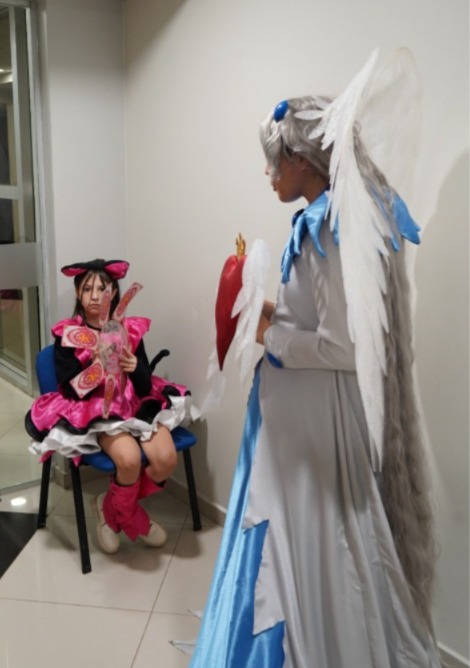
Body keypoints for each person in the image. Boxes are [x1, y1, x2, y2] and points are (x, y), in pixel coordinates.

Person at [190, 53, 441, 667]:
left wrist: (270, 338)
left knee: (313, 544)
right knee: (299, 540)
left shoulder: (329, 226)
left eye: (273, 162)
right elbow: (317, 319)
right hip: (296, 419)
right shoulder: (321, 220)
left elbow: (341, 348)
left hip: (314, 424)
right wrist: (265, 309)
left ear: (301, 160)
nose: (268, 174)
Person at [25, 258, 193, 555]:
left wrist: (134, 367)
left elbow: (145, 385)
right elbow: (70, 391)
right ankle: (132, 517)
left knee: (166, 460)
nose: (95, 296)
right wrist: (96, 368)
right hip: (96, 409)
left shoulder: (128, 330)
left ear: (113, 293)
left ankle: (108, 506)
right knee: (128, 460)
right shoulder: (68, 336)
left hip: (135, 403)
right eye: (87, 289)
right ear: (78, 293)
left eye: (102, 289)